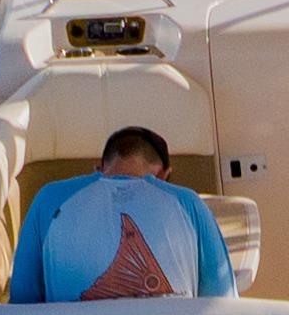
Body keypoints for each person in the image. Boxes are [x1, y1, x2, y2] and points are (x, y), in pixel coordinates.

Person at [16, 125, 239, 303]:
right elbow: (221, 302)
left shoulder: (48, 199)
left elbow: (22, 301)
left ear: (99, 169)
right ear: (164, 176)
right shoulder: (189, 203)